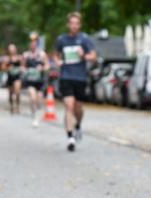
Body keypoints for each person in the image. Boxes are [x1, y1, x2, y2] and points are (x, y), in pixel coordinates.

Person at [54, 12, 97, 151]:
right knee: (69, 106)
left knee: (78, 108)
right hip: (66, 77)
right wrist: (57, 61)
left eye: (76, 23)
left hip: (80, 78)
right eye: (72, 23)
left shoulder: (84, 39)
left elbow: (93, 57)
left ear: (79, 25)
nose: (74, 26)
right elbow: (55, 54)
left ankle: (77, 125)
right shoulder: (62, 39)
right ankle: (70, 138)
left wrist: (83, 55)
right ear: (68, 24)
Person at [23, 32, 48, 127]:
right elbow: (22, 67)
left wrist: (42, 68)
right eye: (31, 42)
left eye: (34, 42)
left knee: (39, 100)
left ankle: (37, 113)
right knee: (32, 98)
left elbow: (47, 65)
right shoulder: (26, 55)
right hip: (30, 80)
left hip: (39, 80)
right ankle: (34, 116)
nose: (32, 44)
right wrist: (26, 70)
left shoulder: (42, 54)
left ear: (37, 43)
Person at [5, 43, 24, 115]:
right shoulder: (6, 58)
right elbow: (2, 67)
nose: (11, 50)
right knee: (10, 94)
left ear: (15, 50)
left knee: (17, 91)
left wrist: (21, 68)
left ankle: (18, 106)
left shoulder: (19, 58)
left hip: (17, 77)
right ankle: (11, 106)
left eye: (13, 49)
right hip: (10, 77)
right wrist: (8, 68)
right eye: (10, 49)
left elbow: (23, 66)